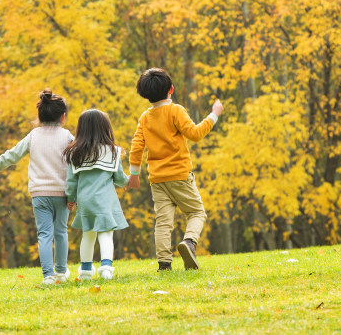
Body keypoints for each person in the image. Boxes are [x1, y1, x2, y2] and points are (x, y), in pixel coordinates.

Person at [126, 68, 223, 271]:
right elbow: (195, 134)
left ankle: (164, 264)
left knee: (163, 222)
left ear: (144, 95)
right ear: (171, 89)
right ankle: (189, 242)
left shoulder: (145, 118)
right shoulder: (176, 110)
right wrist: (214, 116)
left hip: (158, 180)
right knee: (197, 212)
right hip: (179, 175)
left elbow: (136, 147)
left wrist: (134, 174)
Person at [0, 89, 73, 285]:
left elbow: (10, 156)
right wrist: (74, 194)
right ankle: (61, 273)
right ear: (63, 117)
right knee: (61, 232)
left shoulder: (33, 136)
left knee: (44, 234)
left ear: (40, 115)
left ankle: (48, 276)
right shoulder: (67, 137)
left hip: (39, 194)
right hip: (62, 193)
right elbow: (76, 166)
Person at [64, 109, 130, 280]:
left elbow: (72, 181)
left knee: (88, 235)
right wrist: (128, 182)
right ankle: (106, 268)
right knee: (106, 234)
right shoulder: (112, 152)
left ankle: (85, 271)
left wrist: (71, 199)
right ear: (104, 128)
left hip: (85, 201)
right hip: (105, 201)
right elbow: (119, 178)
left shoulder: (75, 153)